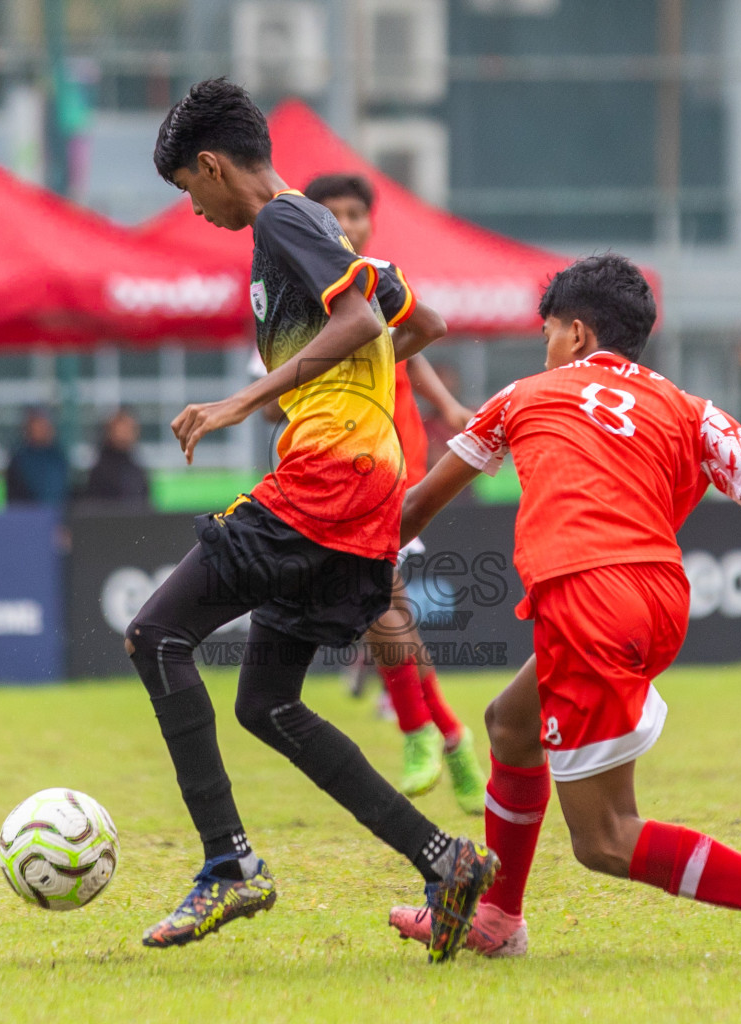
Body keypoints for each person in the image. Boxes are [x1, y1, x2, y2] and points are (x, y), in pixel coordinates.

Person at [389, 253, 741, 958]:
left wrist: (334, 557)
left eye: (550, 333)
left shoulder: (524, 395)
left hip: (588, 597)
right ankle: (498, 919)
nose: (546, 347)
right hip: (659, 598)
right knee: (509, 724)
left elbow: (416, 508)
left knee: (604, 839)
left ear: (580, 336)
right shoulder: (693, 411)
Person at [127, 78, 494, 961]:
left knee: (156, 636)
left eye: (188, 190)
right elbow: (422, 320)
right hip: (364, 497)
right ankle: (442, 860)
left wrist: (249, 396)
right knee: (267, 703)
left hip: (324, 484)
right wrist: (339, 379)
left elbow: (365, 315)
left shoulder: (283, 222)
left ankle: (227, 865)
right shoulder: (320, 230)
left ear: (213, 166)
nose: (196, 208)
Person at [301, 171, 487, 814]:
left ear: (370, 223)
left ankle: (418, 734)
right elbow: (275, 398)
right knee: (375, 613)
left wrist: (447, 407)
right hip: (323, 471)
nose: (347, 225)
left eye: (356, 213)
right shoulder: (297, 293)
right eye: (334, 214)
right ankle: (452, 736)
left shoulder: (377, 281)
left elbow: (414, 348)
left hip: (387, 468)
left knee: (381, 601)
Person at [4, 407, 70, 507]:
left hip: (56, 516)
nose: (41, 429)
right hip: (30, 516)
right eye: (37, 425)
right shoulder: (20, 459)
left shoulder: (58, 456)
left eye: (44, 425)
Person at [84, 408, 152, 507]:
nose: (126, 434)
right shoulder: (101, 471)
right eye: (122, 429)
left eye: (129, 430)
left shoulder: (137, 470)